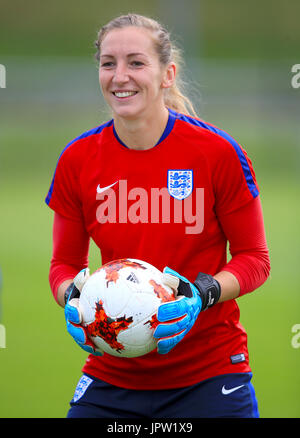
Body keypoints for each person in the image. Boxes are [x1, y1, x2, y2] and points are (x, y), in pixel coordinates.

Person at [45, 13, 270, 418]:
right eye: (108, 63)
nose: (120, 76)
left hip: (211, 374)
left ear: (167, 74)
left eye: (136, 62)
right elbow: (63, 265)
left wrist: (202, 296)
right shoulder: (76, 159)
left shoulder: (216, 152)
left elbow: (255, 258)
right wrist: (73, 300)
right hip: (112, 372)